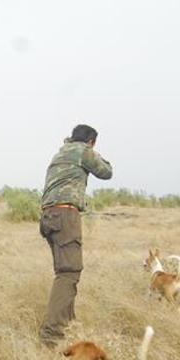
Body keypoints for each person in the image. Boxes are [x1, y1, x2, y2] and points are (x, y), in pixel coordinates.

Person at [38, 124, 113, 346]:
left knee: (67, 271)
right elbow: (106, 172)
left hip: (49, 216)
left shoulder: (60, 152)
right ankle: (52, 334)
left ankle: (68, 325)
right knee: (68, 273)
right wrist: (94, 152)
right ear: (91, 141)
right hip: (65, 215)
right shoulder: (83, 151)